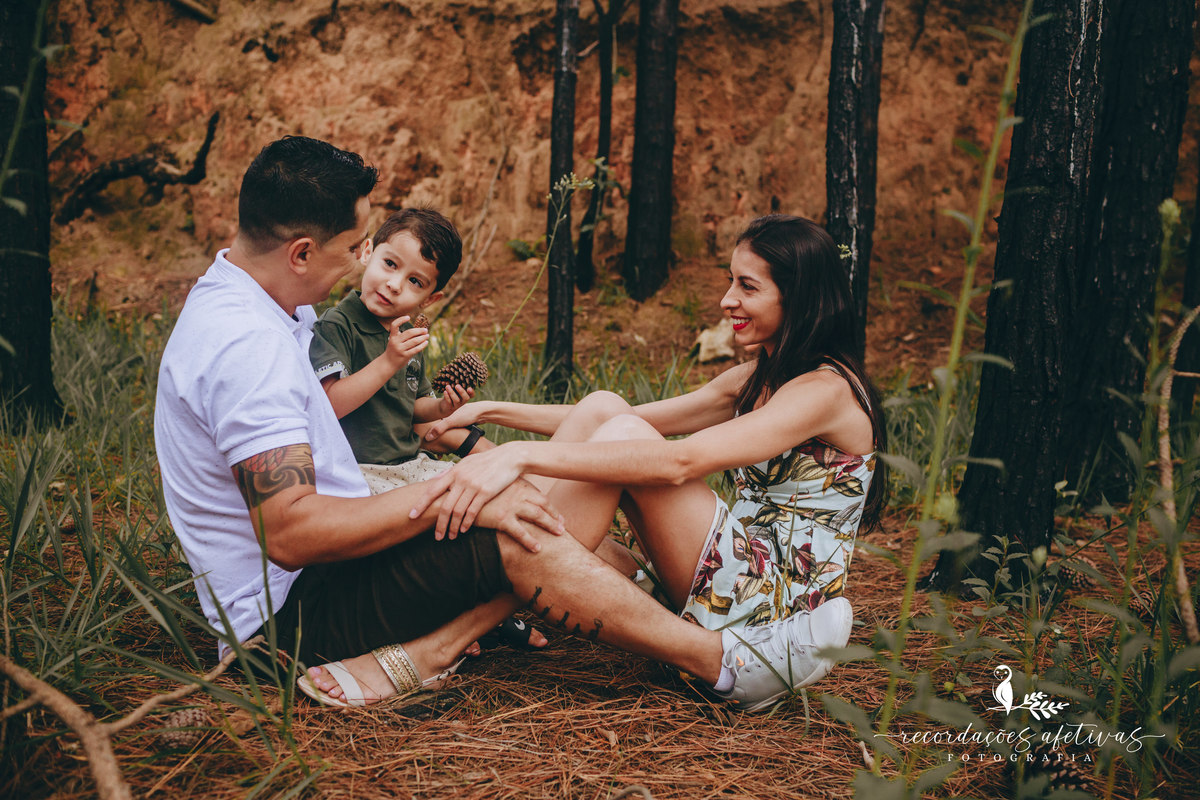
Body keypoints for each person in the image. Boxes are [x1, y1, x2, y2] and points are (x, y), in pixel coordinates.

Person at [154, 136, 851, 712]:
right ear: (301, 253)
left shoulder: (262, 307)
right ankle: (727, 664)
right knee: (522, 529)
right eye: (357, 246)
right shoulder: (246, 348)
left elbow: (638, 433)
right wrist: (458, 491)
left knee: (542, 482)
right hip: (292, 622)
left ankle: (441, 642)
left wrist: (493, 444)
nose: (363, 263)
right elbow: (292, 531)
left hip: (334, 574)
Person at [415, 214, 886, 647]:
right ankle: (478, 580)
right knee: (606, 407)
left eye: (748, 286)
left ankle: (456, 625)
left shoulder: (825, 390)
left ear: (797, 295)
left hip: (777, 607)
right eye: (730, 282)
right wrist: (487, 411)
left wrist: (519, 455)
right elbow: (612, 417)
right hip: (736, 570)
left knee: (620, 438)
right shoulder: (759, 377)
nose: (727, 300)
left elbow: (679, 462)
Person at [307, 206, 544, 648]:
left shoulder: (405, 334)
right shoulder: (338, 325)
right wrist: (389, 360)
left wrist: (440, 407)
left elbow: (405, 406)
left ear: (430, 298)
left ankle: (483, 611)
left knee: (477, 505)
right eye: (390, 264)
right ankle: (451, 622)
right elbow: (330, 404)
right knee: (440, 528)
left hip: (406, 462)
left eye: (415, 281)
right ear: (367, 252)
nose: (394, 284)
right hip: (362, 473)